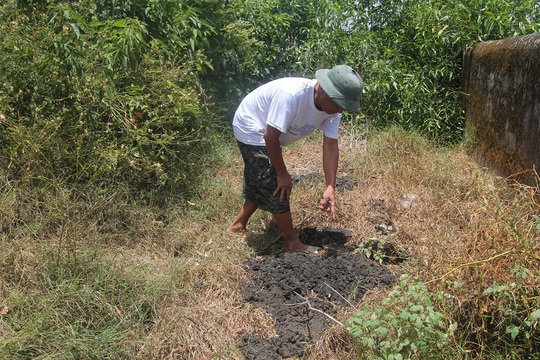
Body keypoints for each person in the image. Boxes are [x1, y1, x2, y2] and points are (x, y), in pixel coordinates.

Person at [227, 64, 363, 253]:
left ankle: (238, 224)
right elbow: (270, 136)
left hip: (270, 134)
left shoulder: (334, 109)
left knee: (259, 179)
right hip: (252, 126)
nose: (340, 110)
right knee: (273, 182)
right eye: (338, 104)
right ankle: (291, 243)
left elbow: (331, 146)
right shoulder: (292, 95)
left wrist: (330, 185)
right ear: (323, 90)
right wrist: (282, 173)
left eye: (344, 106)